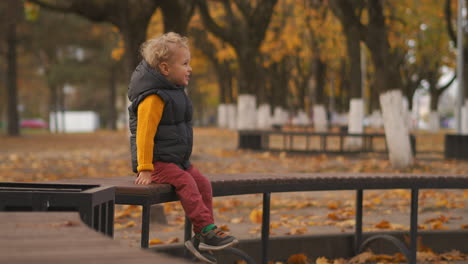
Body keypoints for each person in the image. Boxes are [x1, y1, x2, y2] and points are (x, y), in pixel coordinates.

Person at [127, 32, 238, 264]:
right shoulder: (153, 98)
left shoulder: (174, 92)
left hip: (176, 161)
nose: (190, 69)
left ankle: (204, 235)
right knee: (187, 182)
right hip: (157, 163)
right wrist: (144, 168)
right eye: (185, 64)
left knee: (203, 183)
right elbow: (144, 136)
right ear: (165, 69)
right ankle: (205, 228)